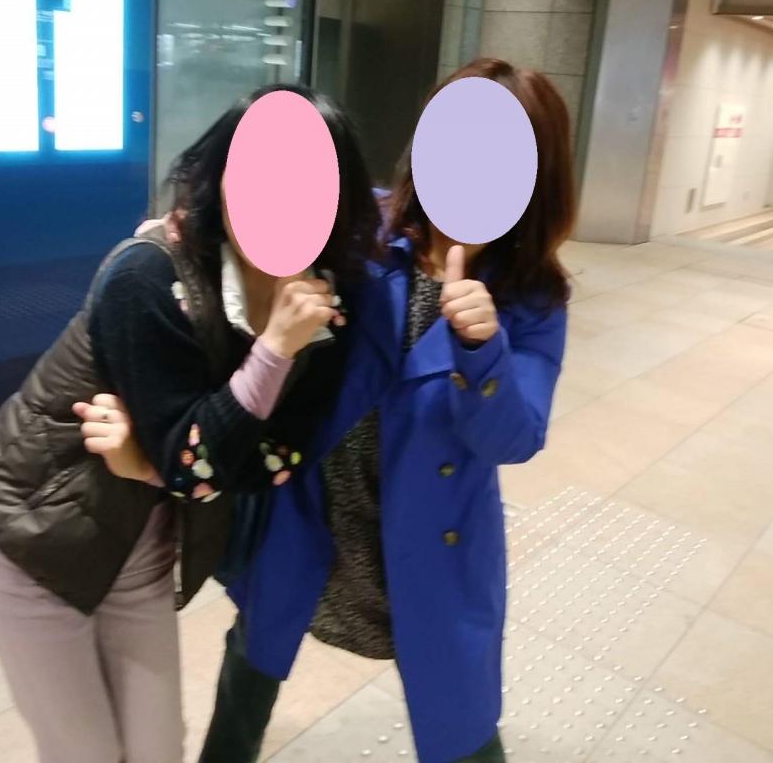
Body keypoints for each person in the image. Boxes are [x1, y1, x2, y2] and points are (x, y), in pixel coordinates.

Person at [82, 58, 577, 763]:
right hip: (310, 509)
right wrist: (180, 236)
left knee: (458, 711)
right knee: (254, 658)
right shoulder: (368, 228)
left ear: (536, 177)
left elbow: (516, 437)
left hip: (428, 540)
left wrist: (483, 349)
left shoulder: (531, 300)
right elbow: (250, 204)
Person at [0, 83, 381, 763]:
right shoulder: (150, 276)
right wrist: (273, 353)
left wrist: (155, 464)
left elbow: (276, 459)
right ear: (223, 177)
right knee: (85, 752)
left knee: (157, 747)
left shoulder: (330, 308)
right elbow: (198, 464)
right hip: (36, 528)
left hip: (142, 539)